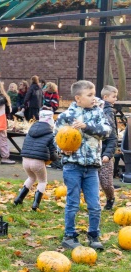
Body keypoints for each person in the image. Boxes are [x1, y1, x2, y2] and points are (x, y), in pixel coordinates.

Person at [54, 80, 111, 251]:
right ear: (78, 98)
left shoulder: (98, 114)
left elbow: (106, 132)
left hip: (92, 167)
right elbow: (56, 138)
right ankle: (69, 235)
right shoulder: (66, 116)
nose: (94, 98)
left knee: (94, 204)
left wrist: (86, 127)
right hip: (73, 166)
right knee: (73, 203)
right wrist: (63, 151)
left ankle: (94, 234)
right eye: (90, 95)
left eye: (94, 94)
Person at [14, 109, 58, 210]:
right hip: (37, 162)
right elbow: (52, 152)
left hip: (25, 160)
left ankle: (19, 198)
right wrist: (56, 158)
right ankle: (35, 204)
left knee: (31, 178)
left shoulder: (30, 131)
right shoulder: (50, 134)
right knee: (42, 181)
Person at [100, 85, 119, 210]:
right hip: (95, 152)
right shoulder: (99, 110)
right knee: (94, 182)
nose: (116, 99)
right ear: (105, 97)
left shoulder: (110, 111)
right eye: (114, 97)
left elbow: (113, 136)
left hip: (106, 152)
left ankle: (110, 197)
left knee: (106, 182)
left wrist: (108, 153)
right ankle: (94, 205)